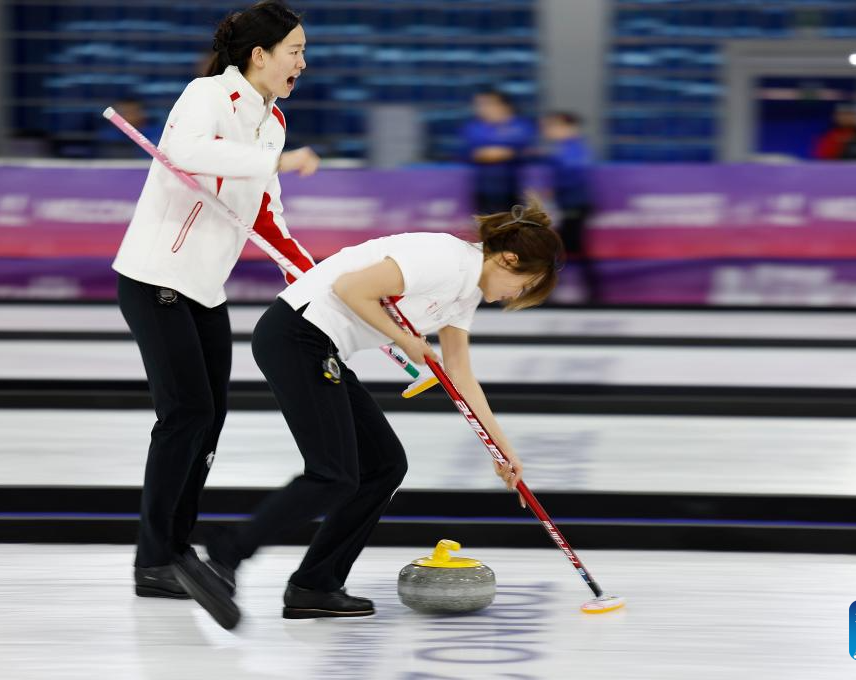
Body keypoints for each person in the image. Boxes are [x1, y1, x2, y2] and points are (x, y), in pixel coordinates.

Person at [172, 198, 565, 629]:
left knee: (384, 465)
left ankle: (315, 586)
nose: (515, 296)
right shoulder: (445, 259)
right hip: (297, 335)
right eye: (524, 285)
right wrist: (406, 340)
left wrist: (503, 452)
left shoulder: (465, 293)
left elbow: (461, 375)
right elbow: (351, 288)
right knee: (333, 473)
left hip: (322, 347)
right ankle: (223, 556)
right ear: (508, 260)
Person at [113, 0, 319, 600]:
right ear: (260, 55)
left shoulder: (272, 122)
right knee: (186, 415)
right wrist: (273, 160)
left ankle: (175, 550)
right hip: (157, 275)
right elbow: (187, 153)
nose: (303, 63)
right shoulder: (207, 95)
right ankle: (153, 560)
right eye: (295, 51)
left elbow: (268, 216)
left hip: (204, 288)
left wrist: (316, 282)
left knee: (208, 421)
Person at [540, 111, 599, 303]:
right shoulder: (564, 149)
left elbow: (574, 174)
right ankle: (590, 290)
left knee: (564, 247)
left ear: (566, 127)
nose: (547, 131)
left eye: (550, 126)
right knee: (568, 248)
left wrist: (554, 190)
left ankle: (590, 291)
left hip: (575, 205)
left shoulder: (574, 149)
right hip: (569, 204)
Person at [461, 90, 535, 215]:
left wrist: (504, 153)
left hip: (514, 186)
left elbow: (524, 150)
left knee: (513, 222)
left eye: (487, 104)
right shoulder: (473, 127)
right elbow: (472, 152)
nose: (481, 108)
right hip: (482, 186)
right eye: (478, 104)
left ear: (504, 105)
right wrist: (501, 152)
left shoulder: (521, 125)